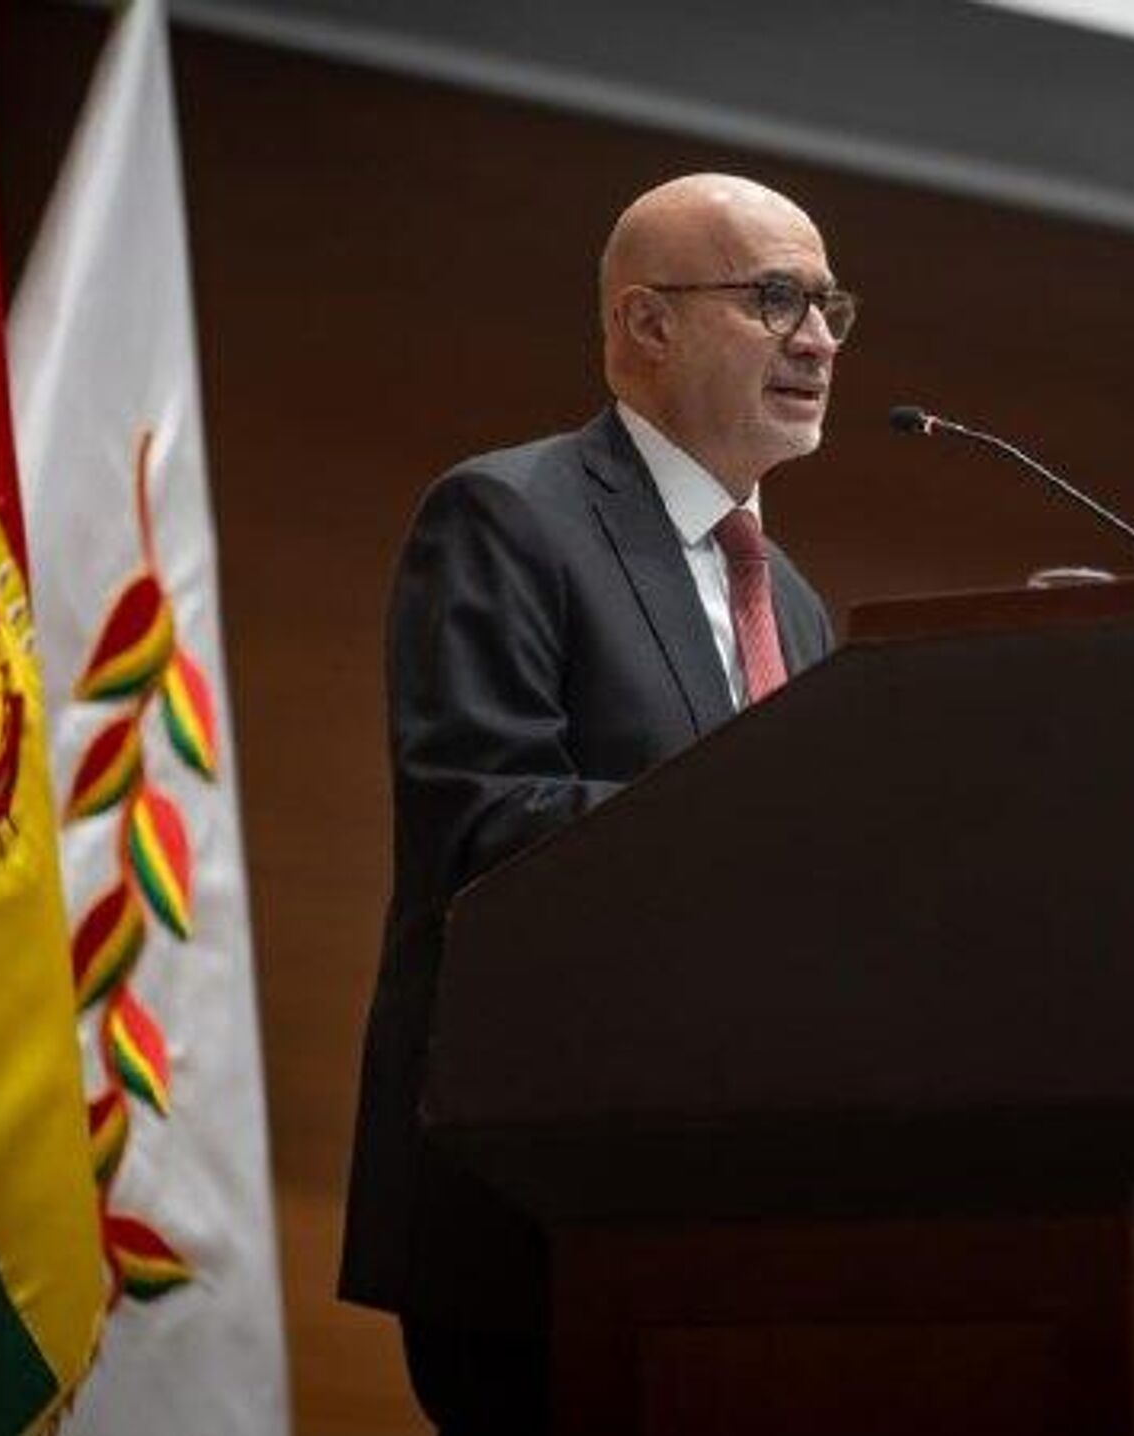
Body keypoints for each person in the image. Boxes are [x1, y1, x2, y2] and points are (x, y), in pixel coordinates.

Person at [338, 173, 852, 1433]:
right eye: (775, 298)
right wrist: (771, 838)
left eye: (830, 305)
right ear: (646, 324)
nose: (819, 339)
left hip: (729, 1219)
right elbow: (483, 823)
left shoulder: (793, 601)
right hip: (539, 1202)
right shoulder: (510, 517)